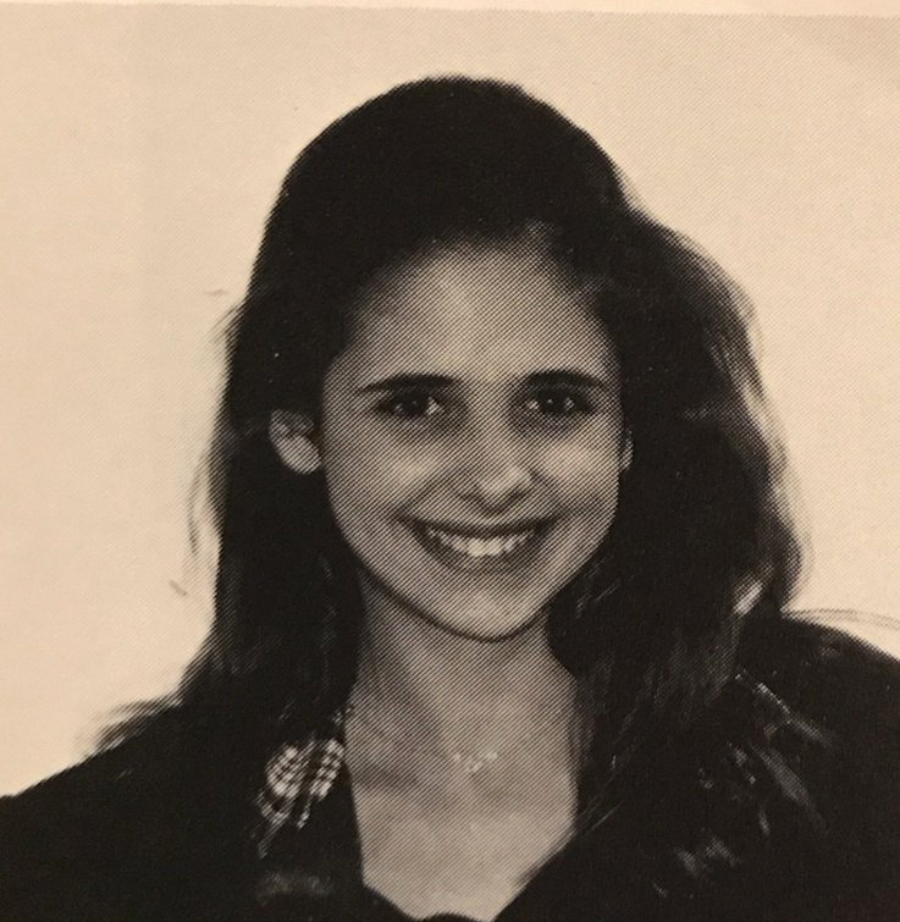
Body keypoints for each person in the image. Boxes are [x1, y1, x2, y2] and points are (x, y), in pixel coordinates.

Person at [1, 77, 898, 922]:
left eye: (554, 403)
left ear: (628, 429)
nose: (497, 475)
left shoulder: (854, 769)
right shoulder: (88, 866)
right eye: (417, 407)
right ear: (297, 430)